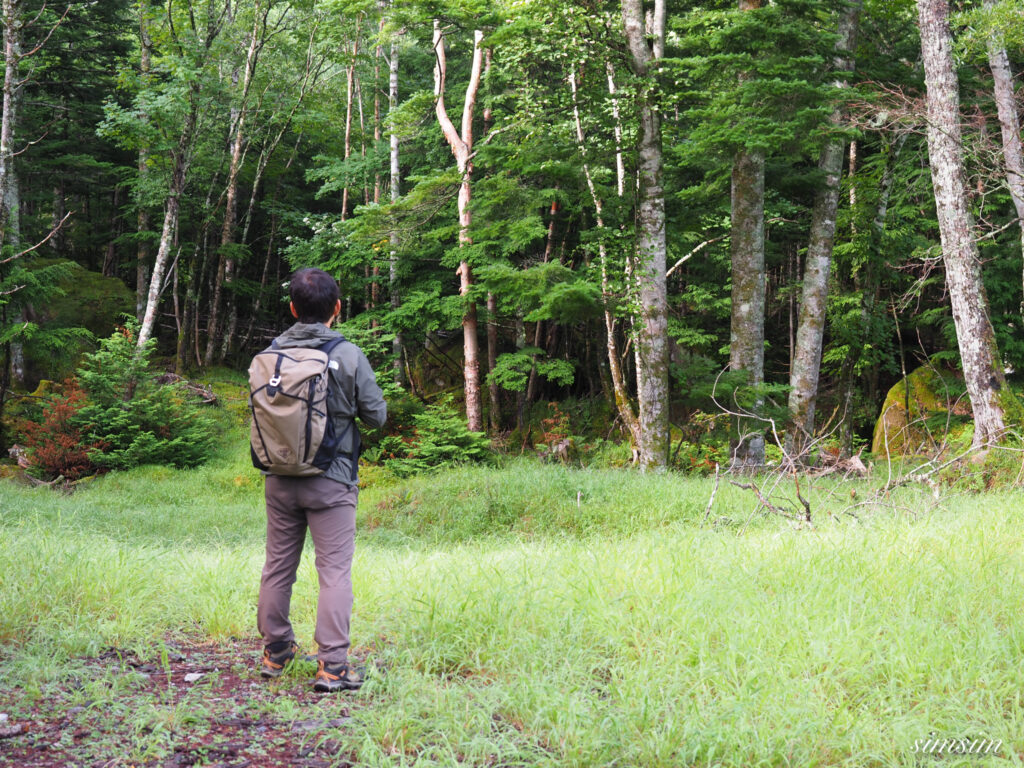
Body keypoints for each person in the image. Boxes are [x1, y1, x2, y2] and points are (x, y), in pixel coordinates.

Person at [256, 267, 387, 692]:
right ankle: (333, 666)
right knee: (333, 572)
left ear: (293, 308)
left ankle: (276, 652)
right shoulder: (347, 355)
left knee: (278, 566)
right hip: (331, 480)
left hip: (277, 478)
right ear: (337, 308)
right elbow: (377, 415)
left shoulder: (270, 354)